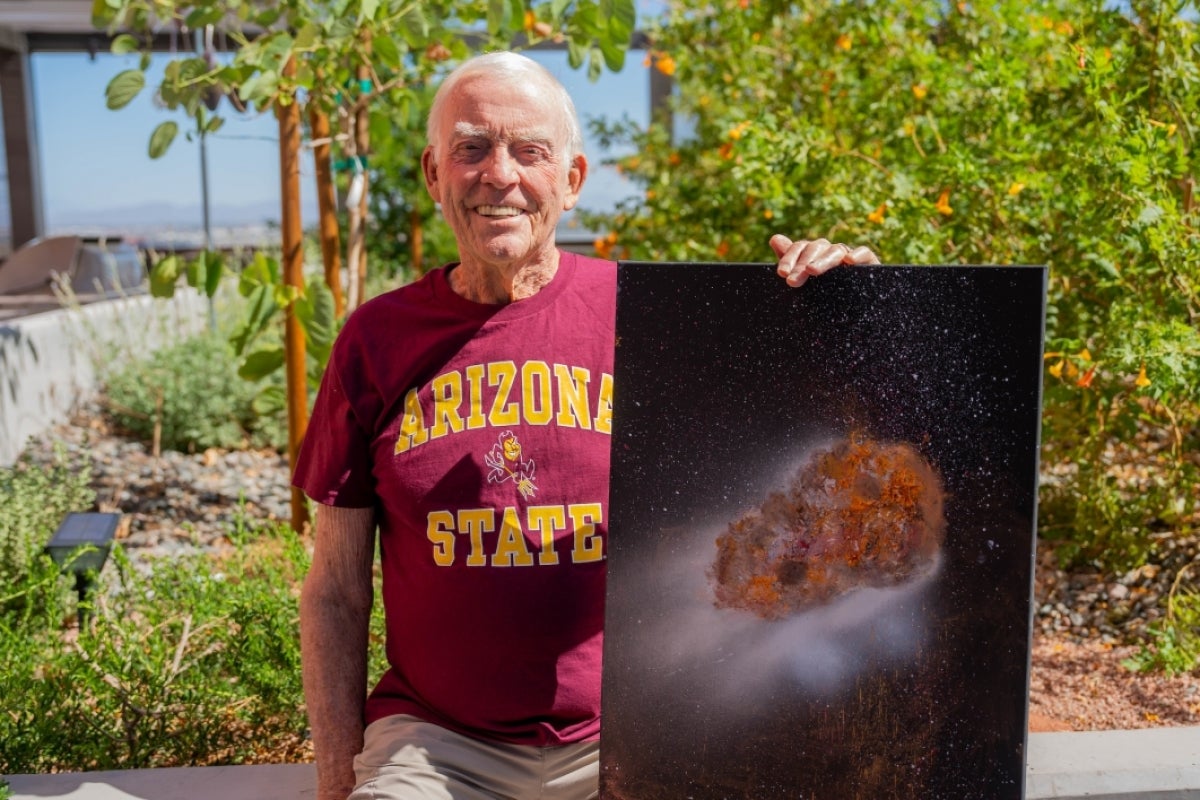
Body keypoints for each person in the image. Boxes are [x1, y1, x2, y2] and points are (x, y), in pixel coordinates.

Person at [295, 50, 880, 800]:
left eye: (529, 151)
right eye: (471, 148)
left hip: (641, 730)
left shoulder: (650, 320)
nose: (499, 174)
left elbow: (815, 429)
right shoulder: (376, 342)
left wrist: (856, 308)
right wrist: (339, 785)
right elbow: (336, 591)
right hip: (440, 748)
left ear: (571, 181)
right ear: (434, 173)